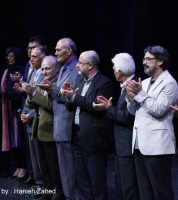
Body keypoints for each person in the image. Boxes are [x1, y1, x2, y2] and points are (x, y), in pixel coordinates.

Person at [125, 45, 178, 200]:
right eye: (144, 59)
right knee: (145, 192)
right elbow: (133, 112)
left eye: (148, 59)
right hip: (140, 144)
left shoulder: (170, 83)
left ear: (160, 61)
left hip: (158, 146)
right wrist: (131, 98)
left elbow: (159, 109)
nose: (144, 62)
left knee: (161, 192)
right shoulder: (145, 82)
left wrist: (139, 94)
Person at [60, 50, 113, 200]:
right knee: (82, 179)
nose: (77, 65)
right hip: (77, 135)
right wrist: (68, 96)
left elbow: (96, 105)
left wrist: (74, 97)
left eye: (80, 63)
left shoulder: (104, 82)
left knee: (96, 181)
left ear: (90, 65)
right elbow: (73, 105)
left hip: (94, 139)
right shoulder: (80, 80)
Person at [93, 53, 139, 200]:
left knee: (128, 187)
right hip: (121, 146)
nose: (113, 71)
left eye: (114, 68)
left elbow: (127, 117)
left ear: (119, 71)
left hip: (127, 146)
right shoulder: (124, 87)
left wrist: (108, 108)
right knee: (121, 186)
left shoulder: (133, 86)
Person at [24, 55, 65, 200]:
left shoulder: (58, 84)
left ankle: (57, 193)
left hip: (51, 129)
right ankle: (48, 192)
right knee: (44, 167)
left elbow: (51, 106)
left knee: (54, 167)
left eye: (48, 68)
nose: (45, 71)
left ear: (57, 69)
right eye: (43, 69)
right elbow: (30, 104)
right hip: (39, 128)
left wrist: (34, 92)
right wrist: (30, 93)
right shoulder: (42, 81)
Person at [0, 47, 26, 178]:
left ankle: (23, 167)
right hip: (7, 110)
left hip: (18, 109)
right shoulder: (7, 71)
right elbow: (5, 89)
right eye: (7, 56)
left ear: (17, 56)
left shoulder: (22, 70)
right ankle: (19, 166)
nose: (8, 58)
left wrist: (1, 92)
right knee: (13, 140)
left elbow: (15, 92)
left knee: (19, 140)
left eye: (11, 56)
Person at [14, 35, 49, 185]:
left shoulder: (45, 69)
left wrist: (32, 114)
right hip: (28, 111)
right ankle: (35, 177)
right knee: (31, 151)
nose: (30, 53)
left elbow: (44, 97)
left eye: (33, 49)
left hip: (41, 117)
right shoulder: (30, 66)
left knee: (42, 156)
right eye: (28, 49)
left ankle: (42, 183)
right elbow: (30, 91)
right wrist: (21, 87)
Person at [50, 38, 80, 200]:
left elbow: (70, 96)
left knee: (70, 169)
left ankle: (73, 197)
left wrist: (53, 90)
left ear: (69, 51)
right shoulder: (64, 68)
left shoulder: (75, 69)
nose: (55, 53)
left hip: (68, 124)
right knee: (64, 169)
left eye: (58, 50)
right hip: (60, 123)